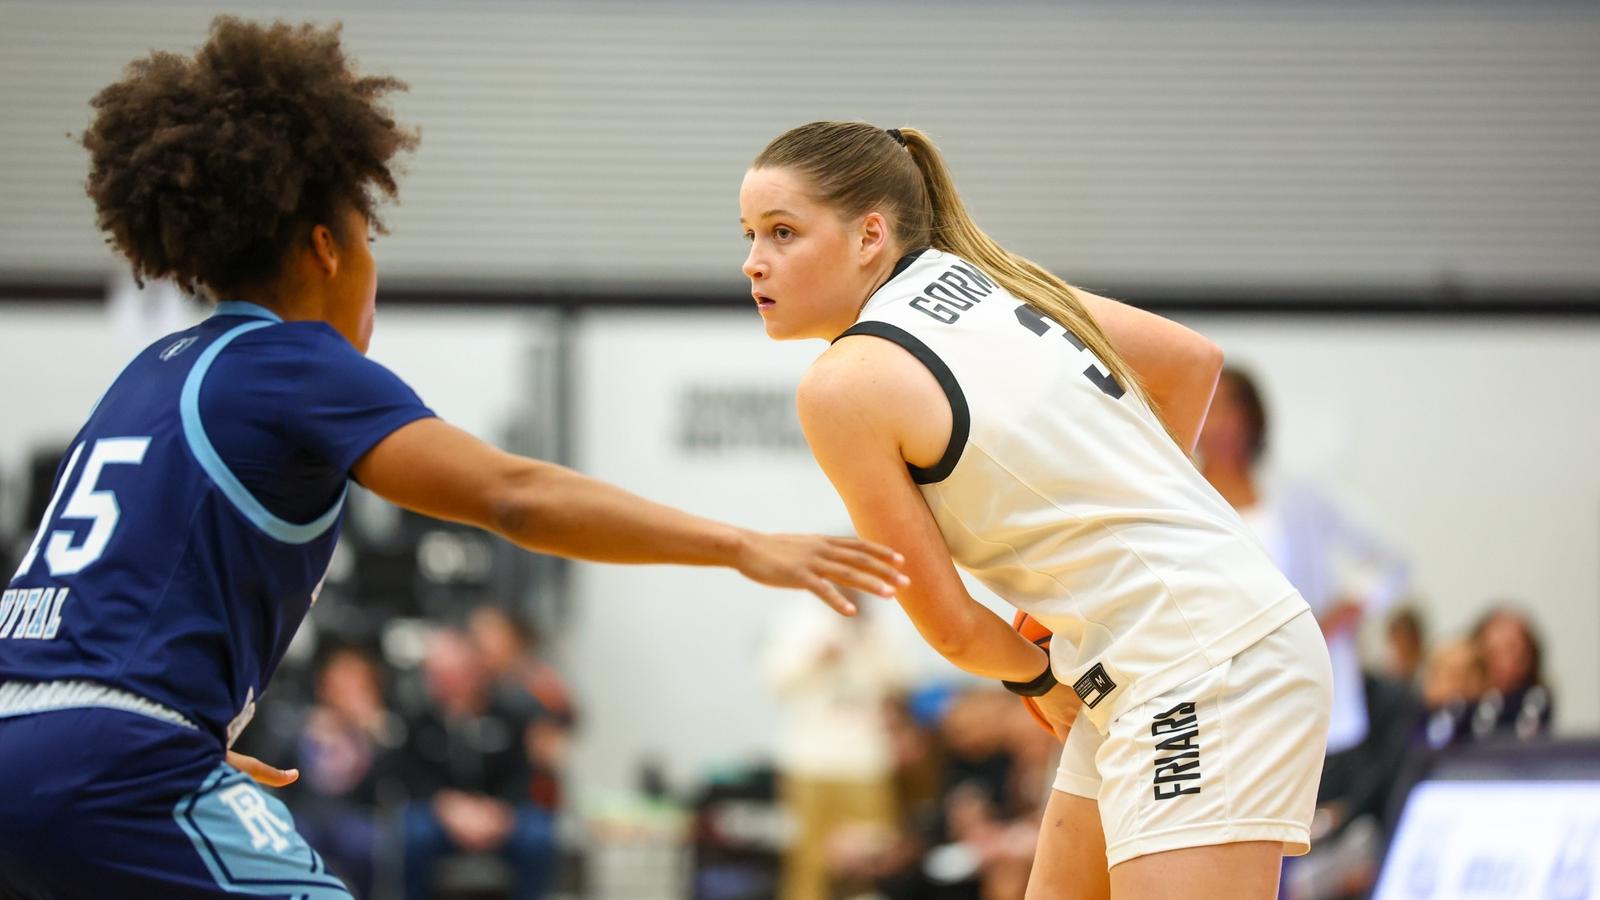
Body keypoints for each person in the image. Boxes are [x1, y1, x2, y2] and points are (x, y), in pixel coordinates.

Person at [0, 22, 905, 898]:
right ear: (326, 248)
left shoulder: (148, 374)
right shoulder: (291, 361)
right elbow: (514, 496)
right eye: (367, 241)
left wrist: (154, 727)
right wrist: (741, 545)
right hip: (114, 759)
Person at [738, 121, 1333, 899]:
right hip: (1153, 656)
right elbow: (1192, 363)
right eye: (750, 235)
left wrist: (1036, 678)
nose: (754, 260)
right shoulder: (987, 279)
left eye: (783, 232)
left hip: (1199, 660)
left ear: (869, 236)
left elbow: (951, 625)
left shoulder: (842, 383)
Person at [1197, 367, 1410, 754]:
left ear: (1254, 418)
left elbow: (1391, 560)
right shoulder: (1179, 498)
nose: (1221, 422)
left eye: (1232, 407)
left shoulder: (1297, 496)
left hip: (1294, 677)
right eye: (1209, 407)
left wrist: (1343, 614)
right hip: (1215, 687)